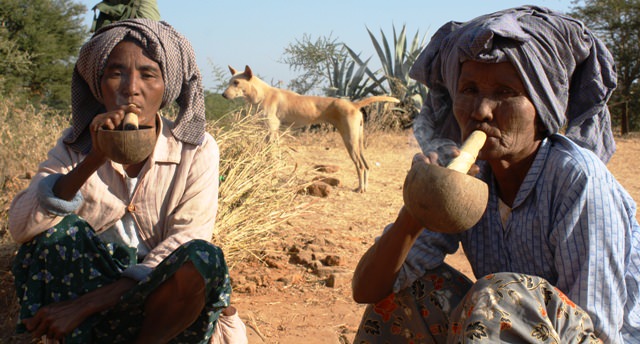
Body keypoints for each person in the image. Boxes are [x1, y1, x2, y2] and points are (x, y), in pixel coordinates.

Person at [352, 6, 639, 343]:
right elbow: (369, 289)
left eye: (505, 93)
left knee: (498, 296)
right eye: (469, 89)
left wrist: (505, 306)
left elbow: (598, 330)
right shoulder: (467, 178)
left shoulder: (577, 179)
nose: (480, 111)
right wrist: (416, 213)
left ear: (544, 108)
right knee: (416, 288)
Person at [9, 19, 247, 343]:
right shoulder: (75, 146)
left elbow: (187, 239)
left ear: (168, 87)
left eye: (148, 74)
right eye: (116, 73)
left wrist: (85, 305)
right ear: (99, 85)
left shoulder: (197, 150)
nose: (130, 88)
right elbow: (21, 227)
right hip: (91, 289)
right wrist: (94, 157)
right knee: (52, 237)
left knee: (203, 257)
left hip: (160, 308)